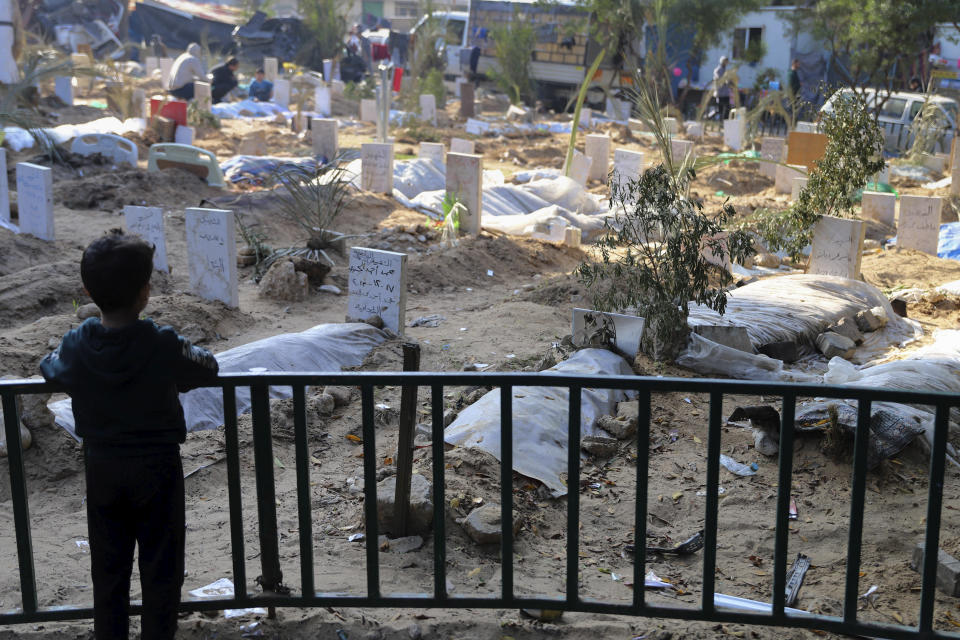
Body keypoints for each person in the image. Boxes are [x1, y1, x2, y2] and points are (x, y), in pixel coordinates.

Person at [40, 230, 219, 639]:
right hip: (158, 467)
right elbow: (206, 367)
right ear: (145, 292)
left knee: (108, 570)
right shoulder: (162, 343)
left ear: (88, 290)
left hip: (102, 467)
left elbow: (49, 366)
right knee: (162, 568)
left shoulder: (77, 343)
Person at [713, 55, 732, 120]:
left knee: (727, 108)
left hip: (726, 93)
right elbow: (719, 80)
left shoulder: (726, 70)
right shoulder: (718, 70)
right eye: (725, 61)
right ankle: (719, 121)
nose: (726, 63)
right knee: (720, 109)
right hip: (720, 93)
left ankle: (725, 122)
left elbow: (728, 80)